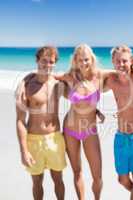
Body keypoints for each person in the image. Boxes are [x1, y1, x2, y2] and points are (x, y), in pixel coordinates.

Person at [15, 46, 66, 200]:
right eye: (44, 61)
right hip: (33, 140)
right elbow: (20, 120)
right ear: (37, 60)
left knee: (58, 179)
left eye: (51, 62)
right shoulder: (27, 86)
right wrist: (24, 151)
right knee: (37, 181)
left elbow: (83, 84)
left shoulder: (58, 83)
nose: (48, 65)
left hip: (55, 139)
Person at [60, 44, 109, 200]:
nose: (83, 63)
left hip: (89, 131)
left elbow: (124, 72)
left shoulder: (99, 76)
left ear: (92, 59)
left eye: (86, 59)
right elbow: (45, 76)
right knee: (77, 171)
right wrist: (24, 82)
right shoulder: (70, 76)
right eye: (80, 60)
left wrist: (97, 111)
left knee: (97, 175)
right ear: (75, 60)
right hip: (70, 130)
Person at [104, 45, 133, 200]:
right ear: (113, 63)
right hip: (121, 137)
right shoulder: (112, 80)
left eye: (124, 61)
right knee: (122, 179)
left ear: (131, 61)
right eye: (117, 61)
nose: (121, 64)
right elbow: (93, 75)